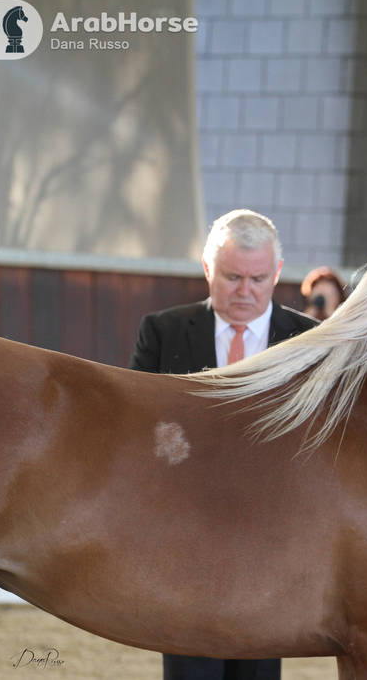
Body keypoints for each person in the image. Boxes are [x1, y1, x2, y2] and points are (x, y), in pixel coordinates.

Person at [129, 208, 317, 680]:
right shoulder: (162, 332)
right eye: (232, 277)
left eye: (258, 278)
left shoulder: (311, 344)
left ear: (277, 274)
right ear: (208, 269)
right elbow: (133, 429)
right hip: (186, 542)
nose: (245, 291)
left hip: (271, 547)